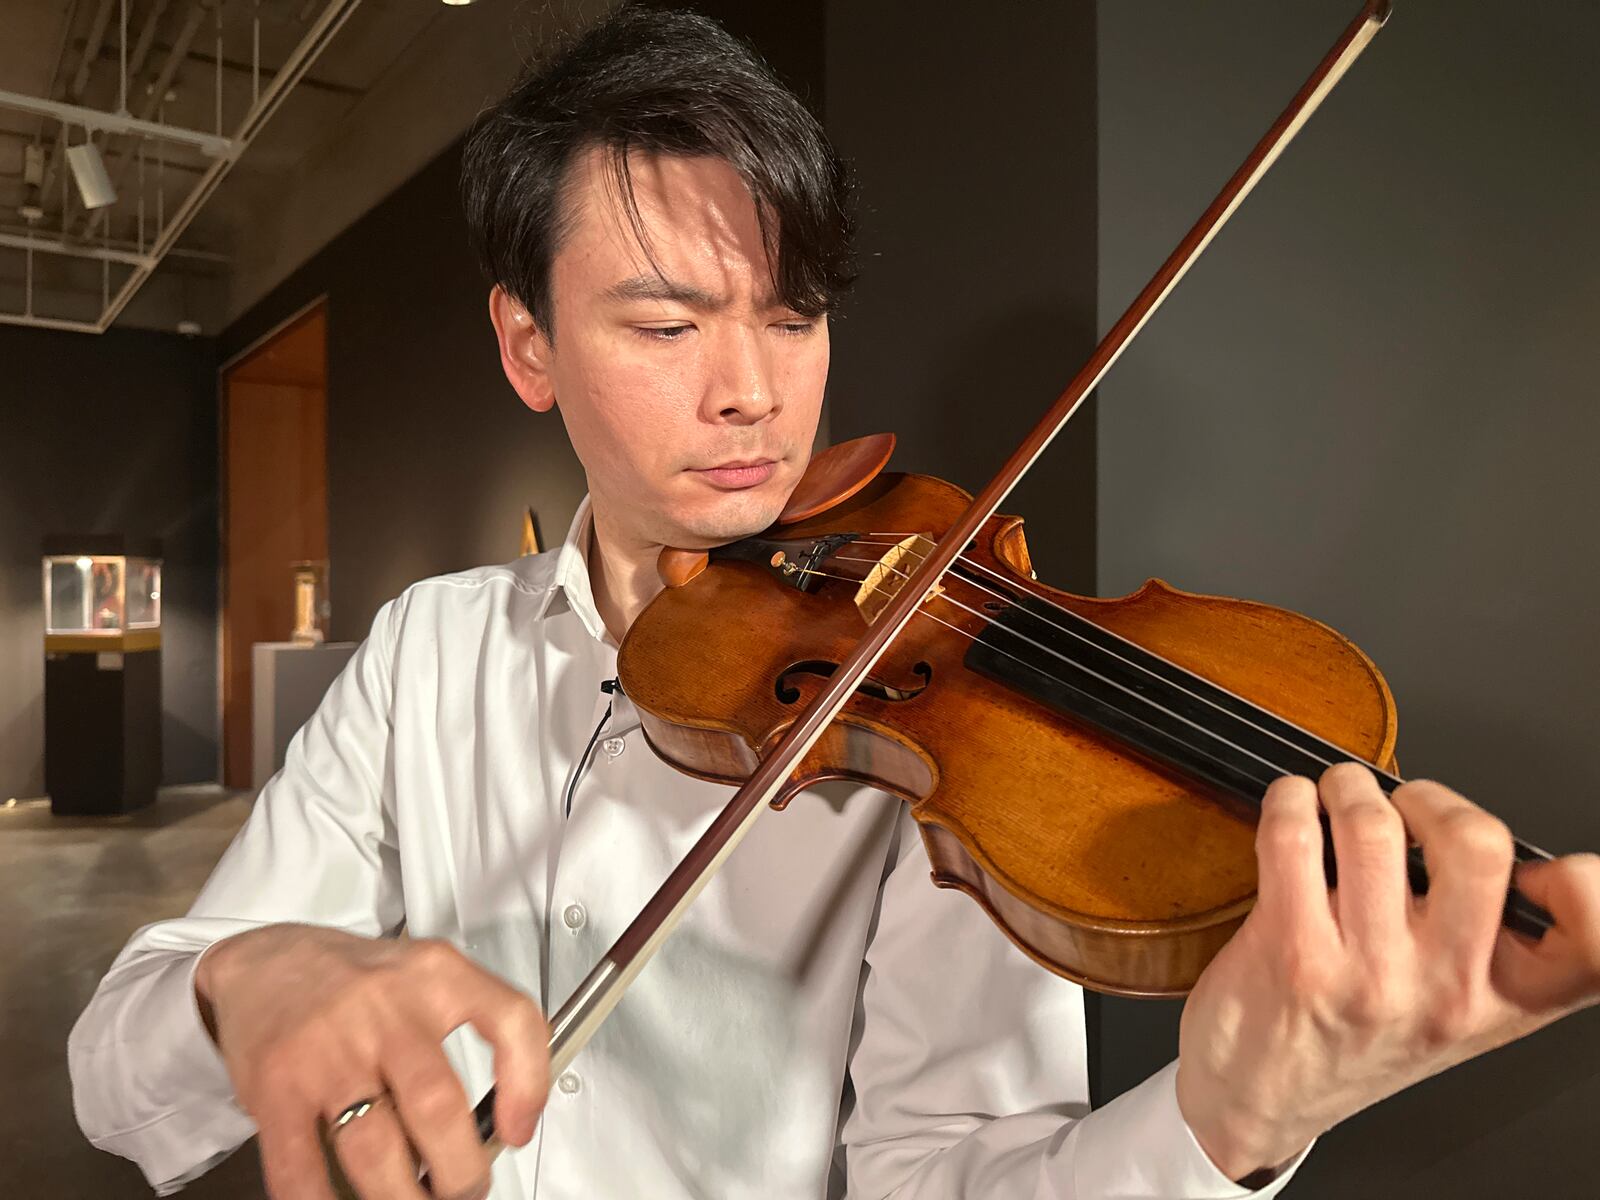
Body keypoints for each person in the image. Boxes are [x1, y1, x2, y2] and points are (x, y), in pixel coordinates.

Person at [68, 8, 1600, 1200]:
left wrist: (1232, 1117)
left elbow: (951, 1174)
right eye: (665, 323)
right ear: (528, 348)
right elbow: (112, 1074)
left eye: (792, 317)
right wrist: (248, 976)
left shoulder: (938, 734)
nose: (753, 393)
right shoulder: (428, 651)